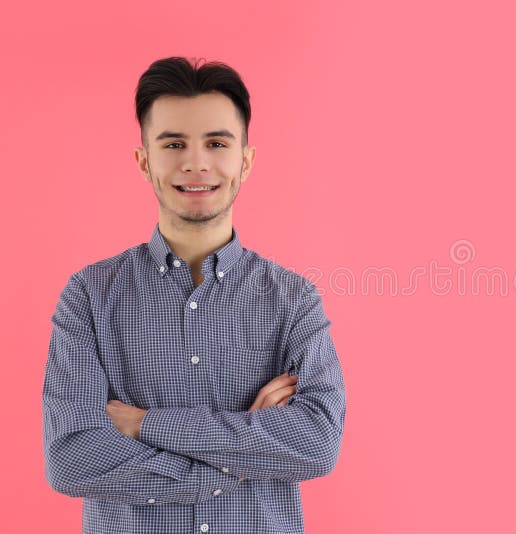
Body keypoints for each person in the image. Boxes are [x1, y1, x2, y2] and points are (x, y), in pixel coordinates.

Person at [41, 56, 346, 534]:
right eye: (174, 144)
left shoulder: (294, 300)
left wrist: (146, 425)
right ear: (145, 161)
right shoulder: (89, 296)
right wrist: (243, 452)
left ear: (244, 160)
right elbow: (72, 458)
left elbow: (317, 444)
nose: (196, 162)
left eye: (217, 143)